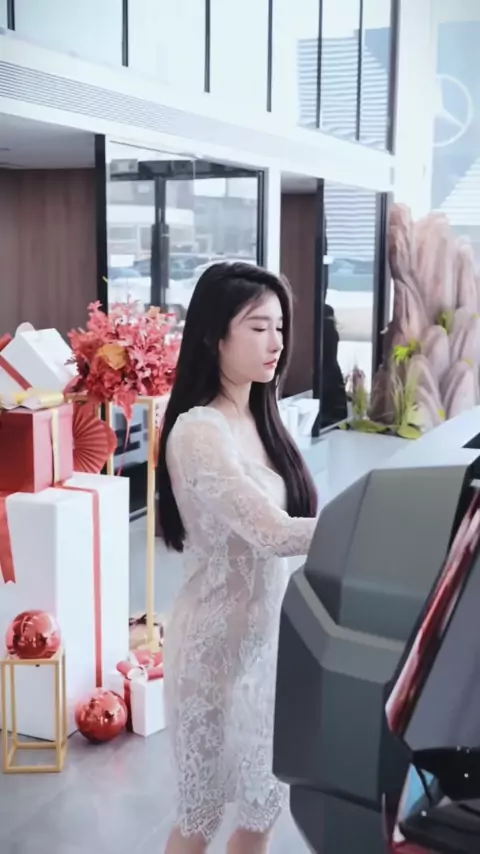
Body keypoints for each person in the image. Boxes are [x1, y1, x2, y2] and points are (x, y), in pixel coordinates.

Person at [157, 262, 319, 854]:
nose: (275, 342)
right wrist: (368, 525)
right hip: (212, 656)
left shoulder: (261, 417)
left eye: (279, 327)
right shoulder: (200, 431)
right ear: (213, 336)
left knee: (261, 809)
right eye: (257, 327)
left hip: (266, 652)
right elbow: (274, 533)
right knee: (199, 818)